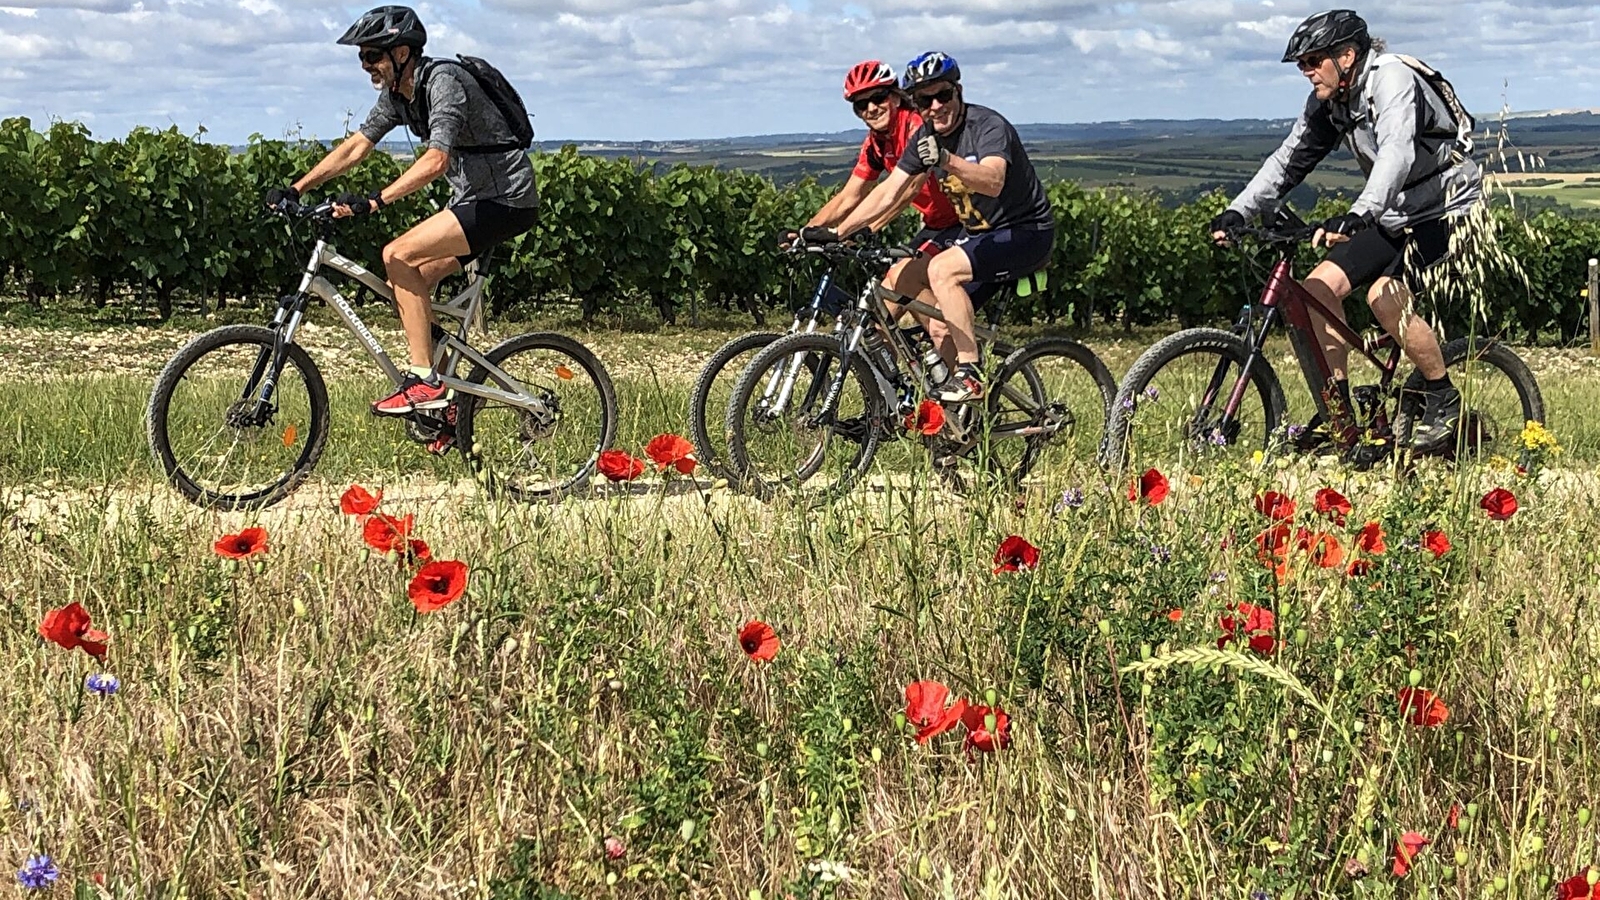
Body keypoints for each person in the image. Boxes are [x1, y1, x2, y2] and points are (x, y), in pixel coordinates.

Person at [1208, 9, 1482, 455]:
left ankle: (1442, 394)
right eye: (1302, 64)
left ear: (1348, 55)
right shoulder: (1330, 101)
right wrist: (1237, 211)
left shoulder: (1390, 80)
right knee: (1317, 289)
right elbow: (1287, 162)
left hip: (1444, 206)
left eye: (1313, 61)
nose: (1306, 71)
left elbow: (1396, 154)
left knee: (1382, 295)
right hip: (1392, 210)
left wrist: (1359, 213)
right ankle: (1340, 416)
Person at [264, 5, 539, 440]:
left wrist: (376, 201)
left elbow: (436, 159)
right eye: (362, 58)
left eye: (372, 56)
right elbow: (355, 147)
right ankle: (447, 405)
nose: (365, 66)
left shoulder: (444, 83)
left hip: (505, 200)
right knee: (406, 284)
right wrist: (297, 188)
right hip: (474, 199)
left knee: (397, 254)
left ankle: (424, 381)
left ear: (403, 53)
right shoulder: (398, 96)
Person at [831, 52, 1055, 402]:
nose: (935, 106)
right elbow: (888, 192)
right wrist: (835, 234)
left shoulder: (986, 126)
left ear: (958, 91)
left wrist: (948, 160)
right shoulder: (924, 138)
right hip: (982, 237)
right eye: (924, 99)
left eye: (943, 95)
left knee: (942, 269)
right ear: (915, 103)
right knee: (933, 316)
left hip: (1026, 232)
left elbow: (994, 180)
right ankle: (954, 423)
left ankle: (969, 377)